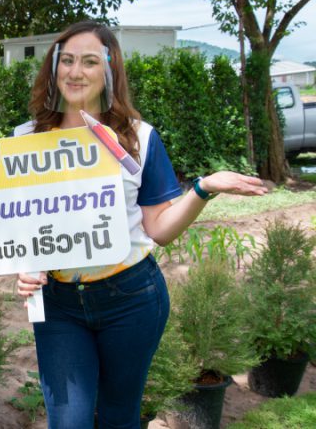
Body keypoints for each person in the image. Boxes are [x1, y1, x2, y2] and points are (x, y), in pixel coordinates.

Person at [14, 21, 266, 429]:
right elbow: (17, 222)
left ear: (109, 71)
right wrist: (26, 266)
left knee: (119, 417)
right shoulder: (25, 140)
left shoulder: (139, 138)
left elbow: (160, 229)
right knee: (68, 422)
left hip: (130, 299)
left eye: (90, 62)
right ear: (54, 67)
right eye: (67, 60)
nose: (75, 72)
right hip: (59, 305)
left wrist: (203, 188)